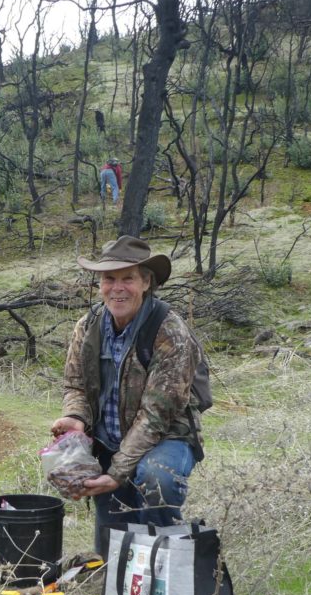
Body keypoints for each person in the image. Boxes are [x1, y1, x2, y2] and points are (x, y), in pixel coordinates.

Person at [50, 235, 204, 553]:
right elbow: (75, 385)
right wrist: (76, 417)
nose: (117, 288)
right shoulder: (88, 325)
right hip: (109, 440)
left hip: (167, 437)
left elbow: (157, 415)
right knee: (111, 551)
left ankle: (168, 559)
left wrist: (117, 472)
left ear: (146, 282)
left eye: (128, 278)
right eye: (109, 278)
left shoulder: (169, 331)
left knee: (156, 478)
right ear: (100, 283)